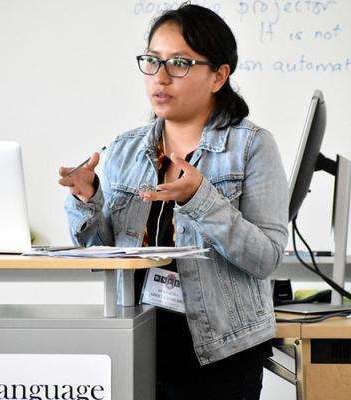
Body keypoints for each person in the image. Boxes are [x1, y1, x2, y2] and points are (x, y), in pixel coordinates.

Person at [59, 4, 288, 400]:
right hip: (135, 336)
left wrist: (202, 199)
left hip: (221, 349)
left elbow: (266, 258)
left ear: (218, 76)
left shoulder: (251, 146)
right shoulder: (124, 148)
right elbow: (103, 255)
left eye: (179, 63)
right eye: (153, 61)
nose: (160, 77)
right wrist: (88, 199)